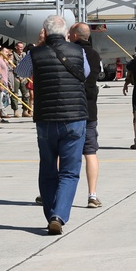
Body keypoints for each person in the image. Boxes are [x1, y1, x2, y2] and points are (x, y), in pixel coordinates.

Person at [14, 15, 90, 235]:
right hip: (74, 117)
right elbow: (84, 73)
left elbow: (20, 72)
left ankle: (50, 213)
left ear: (44, 33)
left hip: (46, 118)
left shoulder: (35, 54)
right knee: (69, 171)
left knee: (48, 168)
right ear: (66, 33)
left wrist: (39, 45)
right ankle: (58, 215)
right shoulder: (78, 52)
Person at [70, 22, 103, 208]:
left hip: (70, 109)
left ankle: (55, 191)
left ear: (74, 35)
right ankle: (92, 194)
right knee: (90, 152)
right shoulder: (95, 54)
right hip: (90, 108)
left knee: (63, 152)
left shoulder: (69, 52)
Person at [9, 41, 31, 116]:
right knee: (15, 94)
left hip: (24, 77)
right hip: (15, 77)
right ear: (16, 47)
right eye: (20, 47)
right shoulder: (12, 55)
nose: (21, 48)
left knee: (26, 94)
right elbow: (10, 66)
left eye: (22, 47)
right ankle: (15, 110)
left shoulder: (24, 55)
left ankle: (25, 110)